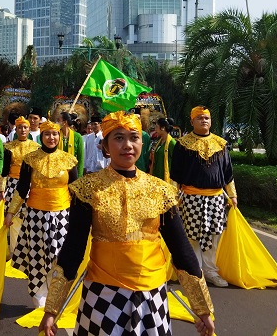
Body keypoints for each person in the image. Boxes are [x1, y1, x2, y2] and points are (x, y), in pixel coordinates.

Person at [39, 111, 215, 336]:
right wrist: (52, 309)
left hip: (152, 295)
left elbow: (181, 250)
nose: (127, 145)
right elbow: (73, 249)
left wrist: (203, 310)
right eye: (119, 138)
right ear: (105, 145)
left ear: (143, 142)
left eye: (134, 137)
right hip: (102, 295)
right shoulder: (87, 189)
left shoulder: (160, 191)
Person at [5, 119, 78, 308]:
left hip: (63, 215)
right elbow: (22, 189)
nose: (51, 138)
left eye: (54, 134)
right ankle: (39, 297)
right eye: (47, 134)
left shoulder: (68, 160)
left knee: (59, 257)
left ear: (59, 136)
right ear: (42, 136)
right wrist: (11, 213)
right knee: (37, 256)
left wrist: (80, 216)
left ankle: (57, 296)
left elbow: (75, 190)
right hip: (35, 216)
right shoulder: (30, 159)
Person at [170, 106, 236, 288]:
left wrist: (233, 195)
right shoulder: (182, 145)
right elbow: (175, 175)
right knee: (192, 237)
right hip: (190, 198)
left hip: (216, 199)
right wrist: (173, 199)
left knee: (214, 236)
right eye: (199, 118)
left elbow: (228, 174)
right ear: (192, 122)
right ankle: (194, 272)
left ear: (211, 120)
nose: (203, 120)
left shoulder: (221, 144)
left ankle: (211, 272)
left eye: (206, 117)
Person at [1, 116, 41, 254]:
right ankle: (15, 252)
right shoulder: (8, 147)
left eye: (25, 127)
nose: (22, 130)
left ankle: (31, 252)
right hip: (13, 185)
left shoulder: (37, 148)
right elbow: (4, 171)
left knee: (31, 218)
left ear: (29, 129)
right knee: (15, 218)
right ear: (15, 129)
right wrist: (2, 188)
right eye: (20, 127)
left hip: (32, 185)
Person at [149, 117, 177, 184]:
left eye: (156, 127)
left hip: (166, 180)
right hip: (156, 178)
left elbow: (177, 163)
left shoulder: (172, 143)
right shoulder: (160, 141)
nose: (155, 129)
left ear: (163, 128)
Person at [57, 112, 85, 177]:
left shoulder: (77, 137)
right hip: (58, 172)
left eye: (58, 120)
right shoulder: (56, 135)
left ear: (65, 122)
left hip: (72, 172)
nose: (56, 122)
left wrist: (79, 176)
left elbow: (81, 158)